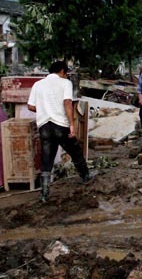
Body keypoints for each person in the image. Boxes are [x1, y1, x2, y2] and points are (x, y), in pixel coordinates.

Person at [27, 60, 93, 203]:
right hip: (60, 125)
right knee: (75, 151)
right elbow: (67, 103)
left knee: (46, 160)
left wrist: (45, 109)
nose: (66, 76)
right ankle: (86, 177)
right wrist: (72, 125)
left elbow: (30, 106)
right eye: (66, 73)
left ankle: (44, 194)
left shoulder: (37, 85)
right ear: (63, 71)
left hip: (44, 126)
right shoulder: (65, 83)